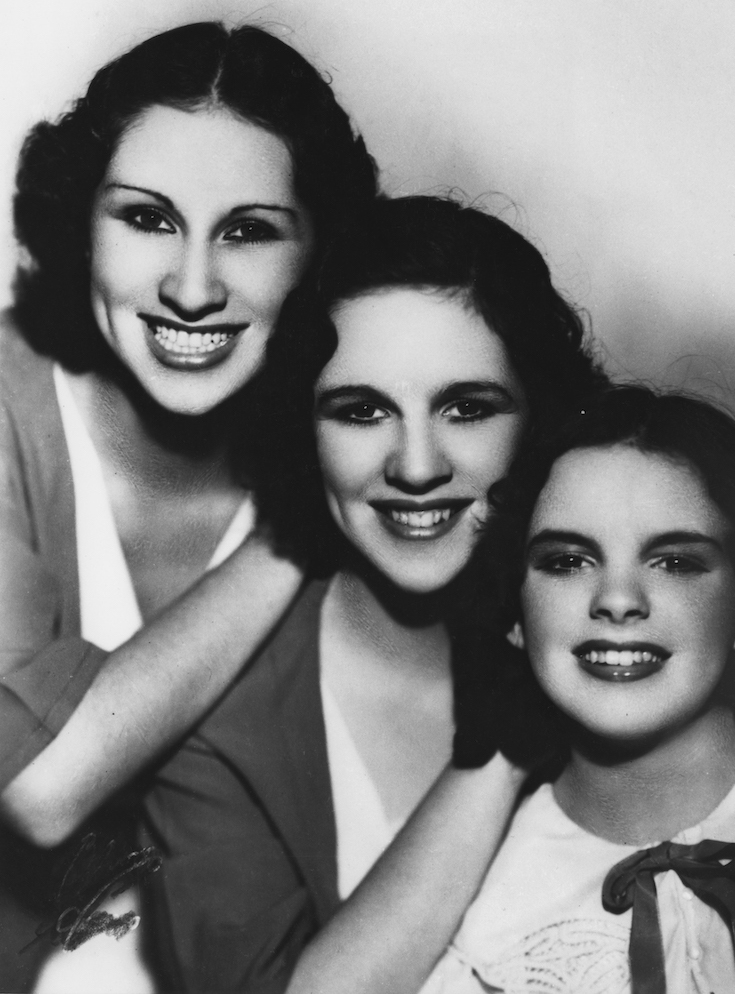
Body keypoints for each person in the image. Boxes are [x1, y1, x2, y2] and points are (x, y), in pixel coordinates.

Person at [138, 194, 608, 993]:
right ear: (302, 431)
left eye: (467, 408)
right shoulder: (217, 731)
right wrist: (502, 749)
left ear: (539, 418)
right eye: (361, 411)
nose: (416, 465)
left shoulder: (624, 634)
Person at [0, 20, 379, 991]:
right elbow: (37, 784)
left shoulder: (364, 435)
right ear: (79, 223)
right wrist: (297, 534)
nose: (193, 287)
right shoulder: (5, 406)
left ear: (316, 255)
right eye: (146, 219)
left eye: (248, 231)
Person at [422, 384, 735, 994]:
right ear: (515, 615)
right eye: (567, 561)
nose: (618, 600)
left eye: (674, 561)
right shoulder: (488, 921)